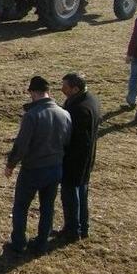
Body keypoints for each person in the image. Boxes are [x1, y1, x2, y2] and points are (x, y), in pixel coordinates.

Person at [3, 76, 72, 255]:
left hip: (33, 169)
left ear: (33, 93)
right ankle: (42, 243)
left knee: (21, 207)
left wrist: (10, 164)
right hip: (56, 167)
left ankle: (18, 243)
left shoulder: (32, 116)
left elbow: (21, 145)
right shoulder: (64, 113)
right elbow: (67, 140)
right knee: (47, 207)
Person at [56, 72, 101, 242]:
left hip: (75, 159)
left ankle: (72, 230)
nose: (62, 89)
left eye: (65, 87)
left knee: (70, 193)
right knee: (81, 191)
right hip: (86, 157)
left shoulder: (79, 109)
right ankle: (83, 226)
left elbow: (71, 136)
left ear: (75, 89)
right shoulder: (90, 100)